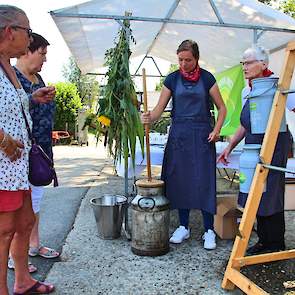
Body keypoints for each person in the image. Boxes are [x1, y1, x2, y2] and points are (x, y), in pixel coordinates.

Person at [141, 40, 226, 250]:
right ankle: (183, 226)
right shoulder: (171, 79)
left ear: (196, 58)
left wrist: (216, 130)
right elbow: (159, 110)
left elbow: (222, 108)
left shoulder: (207, 78)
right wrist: (148, 117)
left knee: (204, 180)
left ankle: (208, 230)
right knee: (180, 180)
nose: (184, 64)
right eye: (180, 60)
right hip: (179, 135)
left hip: (202, 134)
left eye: (188, 60)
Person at [217, 46, 295, 255]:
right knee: (254, 191)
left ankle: (275, 243)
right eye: (243, 63)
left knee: (271, 192)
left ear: (264, 64)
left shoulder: (280, 86)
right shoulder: (246, 90)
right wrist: (229, 147)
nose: (245, 67)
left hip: (275, 144)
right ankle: (263, 240)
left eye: (249, 62)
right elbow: (245, 124)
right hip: (253, 146)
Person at [0, 5, 55, 294]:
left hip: (17, 167)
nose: (29, 37)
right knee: (4, 230)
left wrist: (32, 97)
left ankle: (23, 281)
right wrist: (4, 141)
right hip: (3, 167)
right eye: (27, 31)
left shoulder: (6, 64)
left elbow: (9, 106)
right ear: (10, 32)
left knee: (25, 220)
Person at [14, 33, 59, 260]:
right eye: (42, 54)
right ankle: (15, 255)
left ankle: (33, 245)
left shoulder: (37, 79)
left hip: (39, 153)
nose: (45, 59)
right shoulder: (12, 79)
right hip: (18, 154)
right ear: (25, 51)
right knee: (16, 208)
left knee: (35, 203)